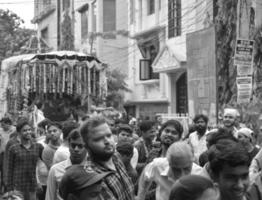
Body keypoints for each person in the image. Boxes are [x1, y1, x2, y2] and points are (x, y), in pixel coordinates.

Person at [80, 115, 134, 200]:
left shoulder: (116, 156)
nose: (107, 141)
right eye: (98, 139)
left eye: (109, 135)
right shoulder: (93, 177)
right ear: (87, 146)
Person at [137, 141, 202, 200]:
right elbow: (145, 177)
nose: (182, 175)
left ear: (192, 161)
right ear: (168, 162)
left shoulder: (200, 175)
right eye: (176, 169)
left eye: (186, 168)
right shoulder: (158, 165)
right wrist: (141, 196)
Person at [45, 129, 87, 200]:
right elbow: (49, 197)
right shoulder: (55, 170)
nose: (76, 149)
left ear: (87, 147)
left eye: (80, 146)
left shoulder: (94, 169)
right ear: (68, 146)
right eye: (73, 145)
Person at [6, 120, 44, 200]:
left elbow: (43, 164)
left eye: (29, 130)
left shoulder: (38, 147)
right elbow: (9, 169)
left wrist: (40, 181)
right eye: (24, 130)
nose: (28, 132)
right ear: (19, 133)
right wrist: (9, 189)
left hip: (32, 186)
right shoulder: (13, 149)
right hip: (18, 187)